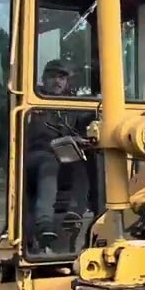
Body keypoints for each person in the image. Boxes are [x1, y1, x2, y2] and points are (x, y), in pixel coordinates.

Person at [26, 60, 92, 252]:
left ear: (67, 82)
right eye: (53, 77)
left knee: (82, 162)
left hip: (61, 159)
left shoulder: (71, 106)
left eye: (61, 78)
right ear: (43, 80)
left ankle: (74, 214)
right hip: (33, 159)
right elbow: (32, 137)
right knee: (49, 162)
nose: (57, 82)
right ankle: (43, 224)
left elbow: (87, 117)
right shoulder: (33, 103)